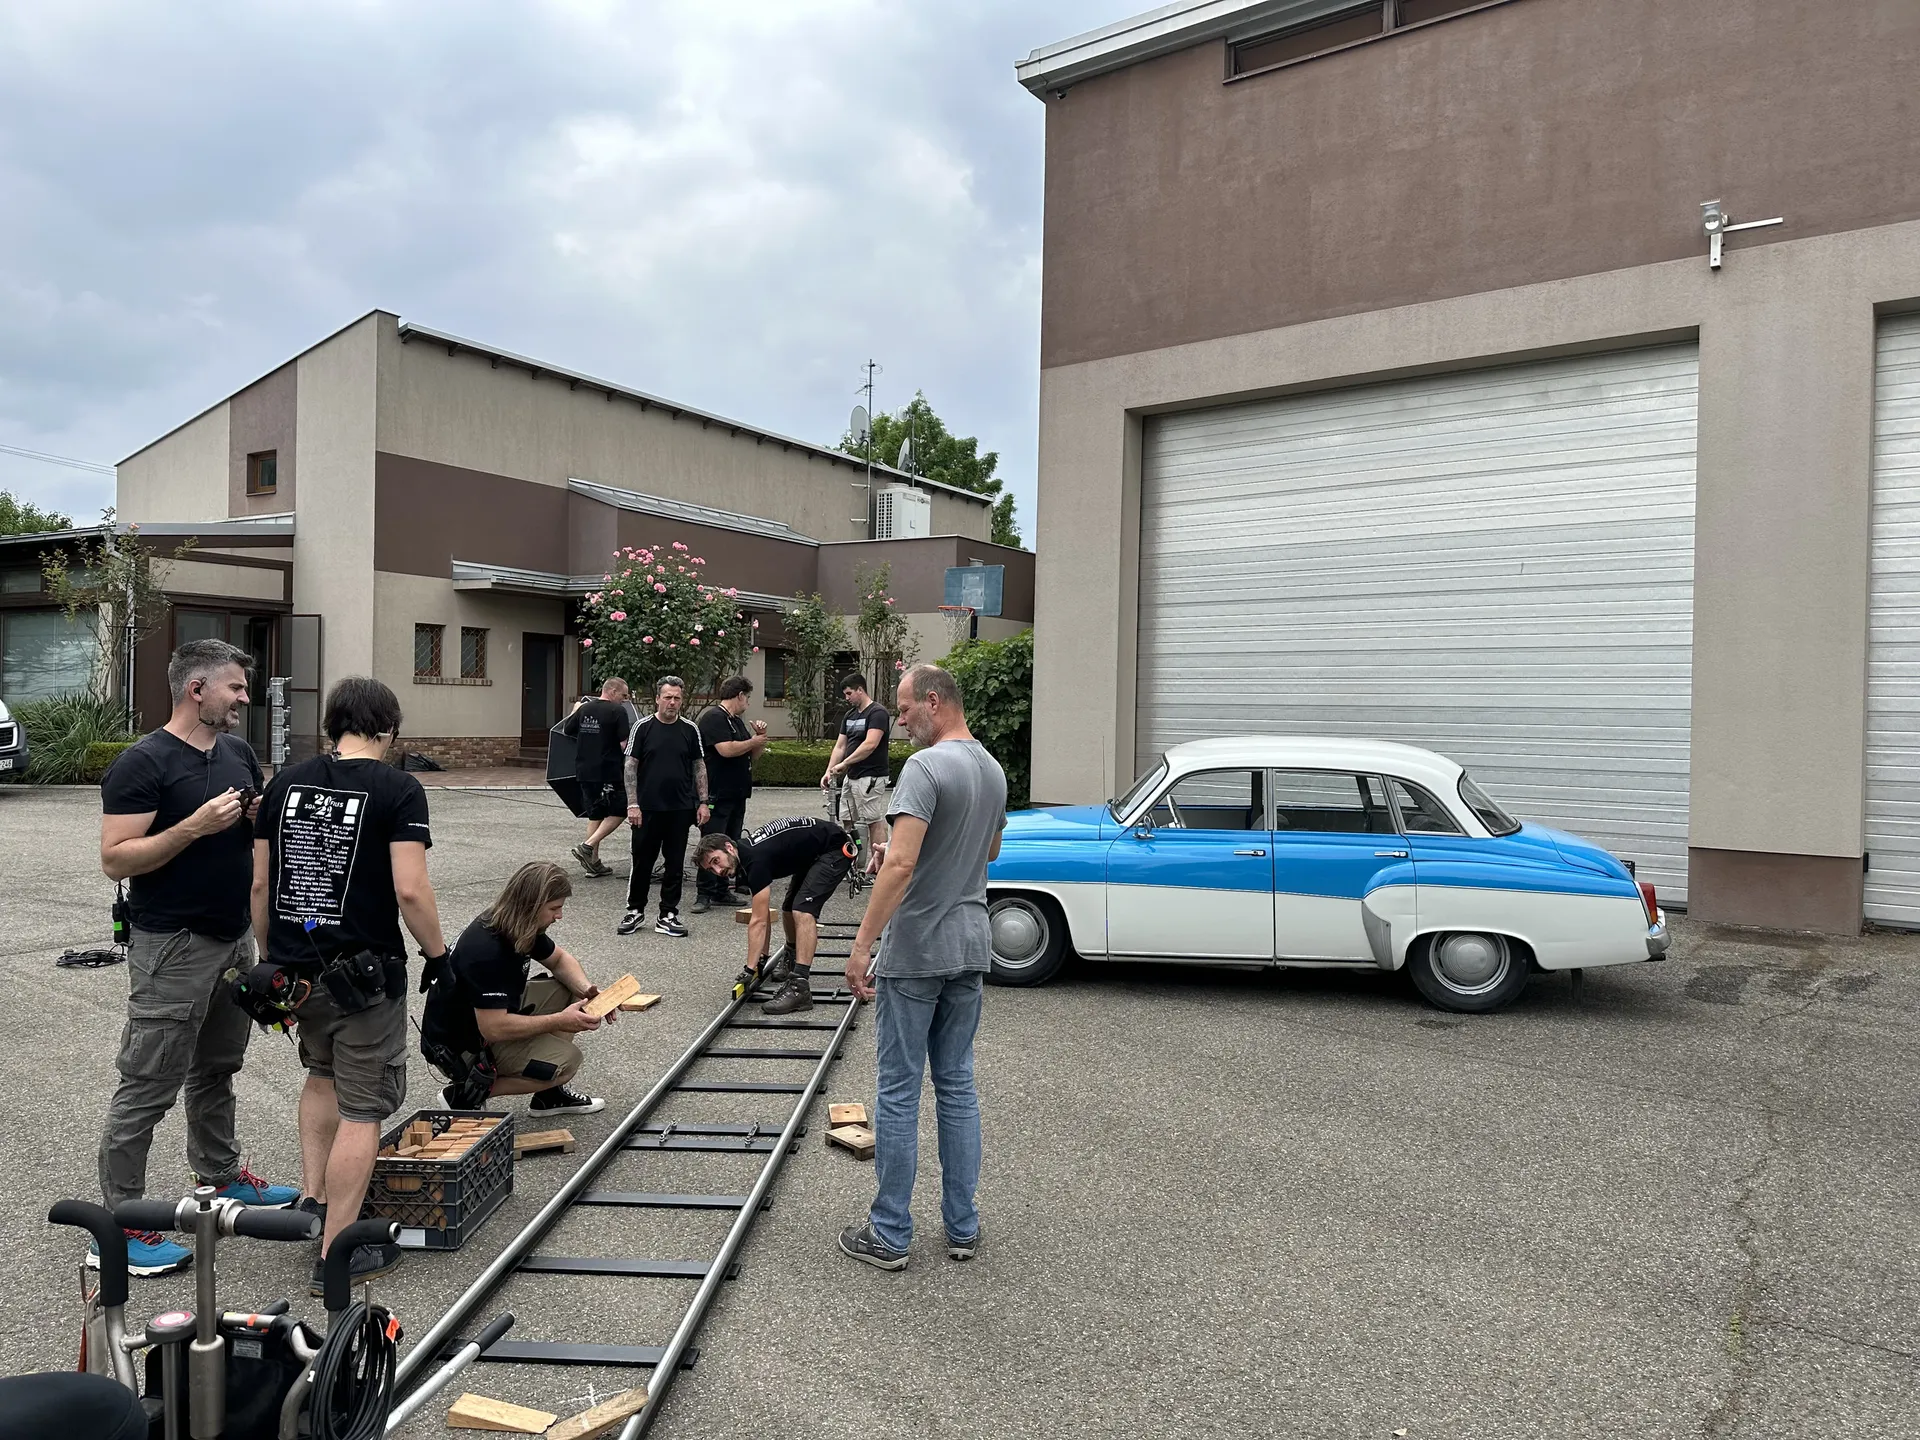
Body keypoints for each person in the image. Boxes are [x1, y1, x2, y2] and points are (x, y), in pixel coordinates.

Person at [97, 639, 297, 1278]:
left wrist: (255, 816)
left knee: (217, 1068)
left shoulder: (236, 753)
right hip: (173, 946)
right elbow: (116, 859)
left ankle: (219, 1175)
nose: (245, 697)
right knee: (148, 1082)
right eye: (235, 687)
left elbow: (249, 831)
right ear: (197, 689)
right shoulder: (143, 763)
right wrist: (193, 827)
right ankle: (120, 1224)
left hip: (233, 938)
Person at [252, 676, 448, 1295]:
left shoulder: (284, 784)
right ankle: (337, 1250)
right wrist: (438, 954)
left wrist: (270, 957)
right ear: (387, 729)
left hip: (297, 972)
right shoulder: (397, 789)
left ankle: (313, 1202)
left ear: (334, 724)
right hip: (365, 979)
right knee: (363, 1108)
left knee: (321, 1077)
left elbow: (259, 885)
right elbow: (410, 889)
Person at [839, 664, 1006, 1271]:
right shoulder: (991, 768)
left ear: (934, 701)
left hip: (917, 950)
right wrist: (912, 849)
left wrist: (862, 945)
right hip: (970, 943)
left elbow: (903, 865)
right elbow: (988, 849)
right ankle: (962, 1226)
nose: (900, 719)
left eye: (906, 708)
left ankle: (889, 1233)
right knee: (956, 1084)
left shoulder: (926, 767)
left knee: (899, 1088)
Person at [421, 862, 613, 1116]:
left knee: (570, 988)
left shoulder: (514, 921)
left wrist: (587, 990)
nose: (559, 916)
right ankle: (464, 1094)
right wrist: (561, 1020)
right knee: (568, 1062)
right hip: (461, 1048)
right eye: (554, 908)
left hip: (480, 1019)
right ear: (532, 905)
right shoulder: (487, 951)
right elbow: (494, 1028)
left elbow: (559, 960)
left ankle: (548, 1096)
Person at [694, 815, 853, 1015]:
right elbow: (763, 913)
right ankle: (792, 956)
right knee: (789, 908)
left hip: (835, 850)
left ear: (729, 847)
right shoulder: (745, 853)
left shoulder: (755, 860)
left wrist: (749, 969)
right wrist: (762, 958)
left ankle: (799, 988)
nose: (718, 871)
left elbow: (759, 921)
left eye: (716, 861)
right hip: (815, 851)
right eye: (711, 868)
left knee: (803, 910)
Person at [618, 676, 709, 938]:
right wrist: (632, 804)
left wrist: (704, 802)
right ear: (657, 698)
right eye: (667, 697)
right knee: (642, 862)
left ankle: (668, 914)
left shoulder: (690, 729)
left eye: (677, 698)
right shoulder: (642, 727)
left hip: (680, 808)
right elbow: (630, 766)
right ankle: (635, 910)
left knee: (675, 864)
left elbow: (699, 766)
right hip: (646, 809)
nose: (672, 702)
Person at [692, 676, 768, 914]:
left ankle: (722, 889)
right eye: (748, 697)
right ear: (740, 695)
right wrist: (753, 741)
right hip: (718, 793)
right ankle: (704, 893)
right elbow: (725, 749)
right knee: (711, 842)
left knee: (730, 842)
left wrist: (759, 739)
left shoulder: (736, 721)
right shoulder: (714, 718)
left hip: (737, 793)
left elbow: (753, 755)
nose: (748, 702)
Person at [561, 678, 632, 878]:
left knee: (595, 813)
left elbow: (567, 730)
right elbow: (624, 744)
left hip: (584, 770)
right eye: (623, 695)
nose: (625, 700)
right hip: (608, 771)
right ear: (613, 691)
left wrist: (575, 710)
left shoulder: (584, 709)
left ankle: (592, 863)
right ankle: (587, 846)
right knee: (622, 808)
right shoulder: (617, 711)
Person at [822, 673, 892, 875]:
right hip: (851, 777)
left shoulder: (877, 713)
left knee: (873, 820)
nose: (847, 698)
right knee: (847, 819)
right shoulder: (850, 715)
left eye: (849, 693)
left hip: (870, 777)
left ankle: (880, 869)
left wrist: (844, 763)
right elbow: (840, 746)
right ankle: (853, 867)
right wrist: (829, 771)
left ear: (860, 690)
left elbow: (870, 744)